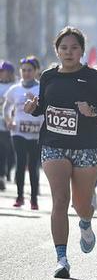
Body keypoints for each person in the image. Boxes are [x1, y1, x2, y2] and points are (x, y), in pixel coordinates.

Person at [25, 27, 97, 278]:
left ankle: (86, 223)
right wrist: (33, 109)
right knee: (60, 200)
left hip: (85, 147)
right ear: (57, 50)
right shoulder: (48, 77)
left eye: (74, 47)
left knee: (81, 204)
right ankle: (62, 259)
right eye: (64, 48)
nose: (68, 52)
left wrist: (93, 112)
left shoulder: (94, 78)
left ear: (82, 51)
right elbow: (43, 106)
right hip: (53, 144)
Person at [4, 57, 44, 209]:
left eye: (30, 70)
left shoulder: (41, 88)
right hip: (18, 132)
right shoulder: (15, 89)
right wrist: (8, 120)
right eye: (24, 70)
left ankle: (34, 199)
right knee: (20, 163)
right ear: (20, 71)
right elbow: (7, 107)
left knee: (33, 166)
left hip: (36, 133)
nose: (26, 73)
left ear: (36, 71)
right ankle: (20, 196)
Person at [0, 60, 16, 190]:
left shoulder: (15, 87)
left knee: (7, 151)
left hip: (9, 124)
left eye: (2, 71)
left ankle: (5, 174)